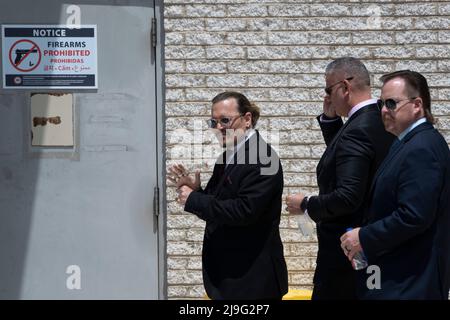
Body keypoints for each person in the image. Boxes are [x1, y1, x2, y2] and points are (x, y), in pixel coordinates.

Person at [286, 57, 394, 299]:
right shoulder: (379, 119)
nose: (326, 97)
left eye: (328, 89)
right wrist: (331, 123)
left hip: (346, 253)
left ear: (344, 87)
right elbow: (350, 163)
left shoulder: (356, 130)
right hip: (373, 244)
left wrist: (305, 203)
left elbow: (347, 196)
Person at [168, 91, 288, 300]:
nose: (219, 128)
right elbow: (218, 207)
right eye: (213, 122)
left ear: (247, 119)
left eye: (225, 120)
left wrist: (194, 199)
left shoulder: (263, 158)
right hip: (231, 277)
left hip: (252, 280)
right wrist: (197, 192)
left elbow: (244, 211)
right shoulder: (228, 156)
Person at [341, 70, 450, 299]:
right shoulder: (405, 142)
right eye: (381, 103)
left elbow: (414, 216)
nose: (383, 110)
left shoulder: (422, 147)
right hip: (395, 276)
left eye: (391, 103)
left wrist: (364, 236)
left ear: (417, 105)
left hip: (409, 282)